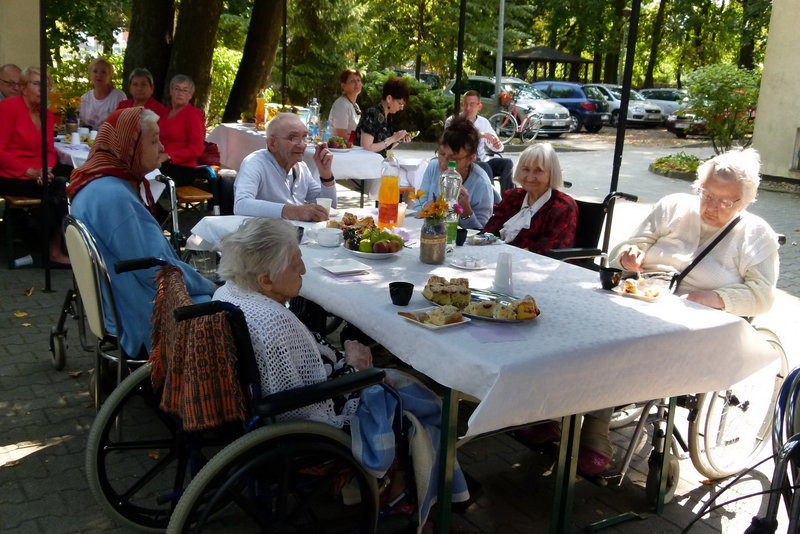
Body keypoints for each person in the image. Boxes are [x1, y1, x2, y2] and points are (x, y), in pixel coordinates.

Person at [213, 216, 469, 523]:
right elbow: (309, 404)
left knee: (404, 385)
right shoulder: (272, 321)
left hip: (262, 407)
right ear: (265, 279)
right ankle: (410, 490)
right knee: (420, 404)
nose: (304, 270)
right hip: (306, 423)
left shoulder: (229, 293)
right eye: (296, 264)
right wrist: (355, 367)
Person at [67, 107, 217, 358]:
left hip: (120, 300)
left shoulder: (96, 182)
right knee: (239, 311)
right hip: (140, 310)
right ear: (130, 146)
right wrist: (210, 285)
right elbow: (157, 272)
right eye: (154, 140)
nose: (162, 148)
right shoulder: (114, 197)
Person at [611, 147, 779, 316]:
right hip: (637, 302)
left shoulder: (756, 234)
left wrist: (714, 298)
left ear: (745, 202)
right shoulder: (672, 206)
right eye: (708, 195)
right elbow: (619, 254)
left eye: (726, 202)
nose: (713, 207)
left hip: (698, 319)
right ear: (699, 186)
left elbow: (763, 296)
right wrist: (625, 258)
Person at [0, 67, 70, 265]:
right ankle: (53, 251)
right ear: (23, 88)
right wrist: (29, 171)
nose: (43, 89)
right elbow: (0, 150)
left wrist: (46, 169)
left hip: (38, 172)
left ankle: (49, 241)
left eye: (46, 85)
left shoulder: (46, 114)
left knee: (73, 178)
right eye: (36, 83)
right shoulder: (8, 107)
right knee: (58, 189)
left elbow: (49, 150)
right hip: (10, 173)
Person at [233, 113, 335, 222]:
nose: (302, 145)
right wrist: (293, 212)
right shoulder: (255, 163)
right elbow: (241, 205)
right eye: (293, 138)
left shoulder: (301, 168)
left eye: (304, 137)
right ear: (272, 143)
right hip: (262, 234)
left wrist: (326, 175)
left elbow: (329, 207)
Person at [482, 143, 578, 254]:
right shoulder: (513, 197)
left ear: (551, 174)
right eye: (526, 169)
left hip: (534, 267)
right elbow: (488, 232)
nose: (530, 177)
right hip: (497, 258)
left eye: (538, 171)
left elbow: (547, 252)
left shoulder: (562, 207)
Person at [413, 116, 494, 230]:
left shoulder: (481, 182)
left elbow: (481, 233)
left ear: (470, 158)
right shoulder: (433, 167)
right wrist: (427, 209)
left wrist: (466, 211)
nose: (443, 163)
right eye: (441, 154)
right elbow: (417, 210)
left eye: (453, 159)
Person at [447, 90, 514, 193]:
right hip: (463, 162)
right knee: (484, 166)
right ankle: (491, 201)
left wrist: (497, 145)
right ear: (461, 105)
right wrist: (480, 134)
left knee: (507, 163)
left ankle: (508, 200)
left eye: (472, 104)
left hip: (483, 160)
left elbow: (498, 146)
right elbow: (454, 141)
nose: (468, 108)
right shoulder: (453, 121)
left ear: (479, 107)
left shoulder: (484, 122)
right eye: (466, 104)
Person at [158, 74, 206, 187]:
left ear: (190, 95)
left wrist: (168, 156)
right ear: (170, 91)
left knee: (148, 180)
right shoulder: (163, 112)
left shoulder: (193, 114)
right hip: (158, 162)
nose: (180, 93)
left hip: (181, 168)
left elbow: (197, 149)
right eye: (177, 88)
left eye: (185, 90)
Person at [354, 77, 411, 157]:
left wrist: (399, 139)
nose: (401, 108)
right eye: (400, 104)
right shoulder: (372, 113)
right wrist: (393, 138)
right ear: (389, 98)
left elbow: (385, 146)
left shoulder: (387, 115)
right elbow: (366, 148)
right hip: (365, 165)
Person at [79, 58, 126, 128]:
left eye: (103, 72)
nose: (99, 75)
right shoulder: (85, 98)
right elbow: (80, 123)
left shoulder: (119, 97)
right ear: (90, 75)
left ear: (110, 76)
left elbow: (124, 124)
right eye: (95, 71)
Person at [328, 68, 362, 139]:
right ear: (343, 86)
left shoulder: (355, 105)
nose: (357, 83)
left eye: (358, 80)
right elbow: (342, 136)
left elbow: (354, 132)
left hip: (351, 147)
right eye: (353, 81)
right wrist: (361, 138)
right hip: (339, 148)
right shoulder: (341, 104)